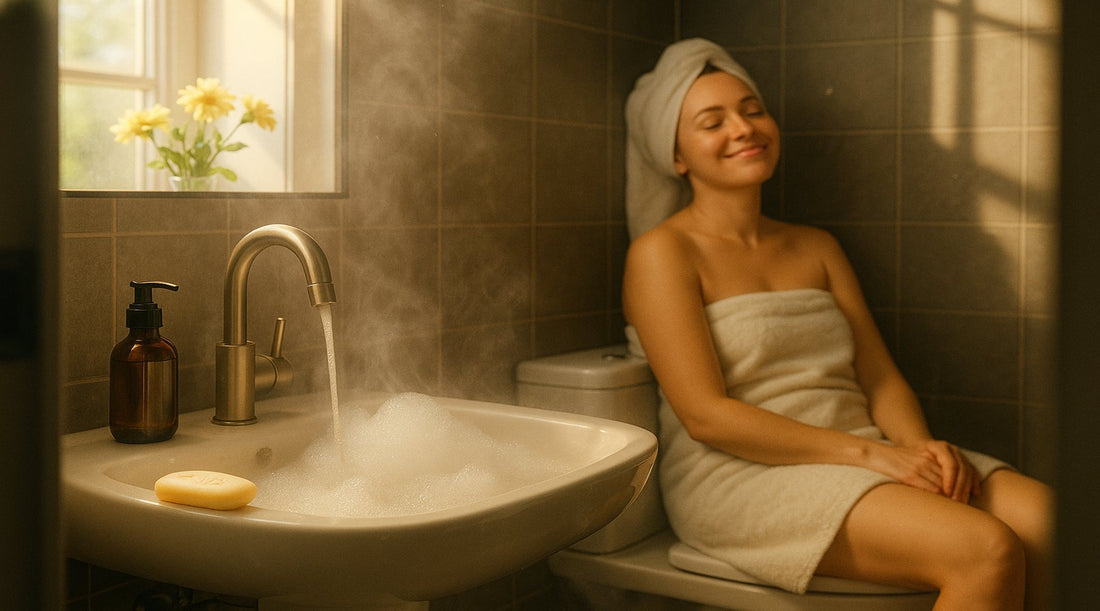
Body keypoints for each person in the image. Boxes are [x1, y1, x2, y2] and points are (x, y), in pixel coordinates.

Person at [621, 38, 1052, 611]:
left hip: (861, 449)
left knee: (1059, 526)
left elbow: (878, 378)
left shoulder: (816, 246)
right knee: (985, 549)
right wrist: (874, 457)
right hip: (740, 476)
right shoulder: (663, 253)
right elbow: (705, 416)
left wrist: (918, 447)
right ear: (676, 156)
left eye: (752, 110)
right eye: (712, 121)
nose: (744, 128)